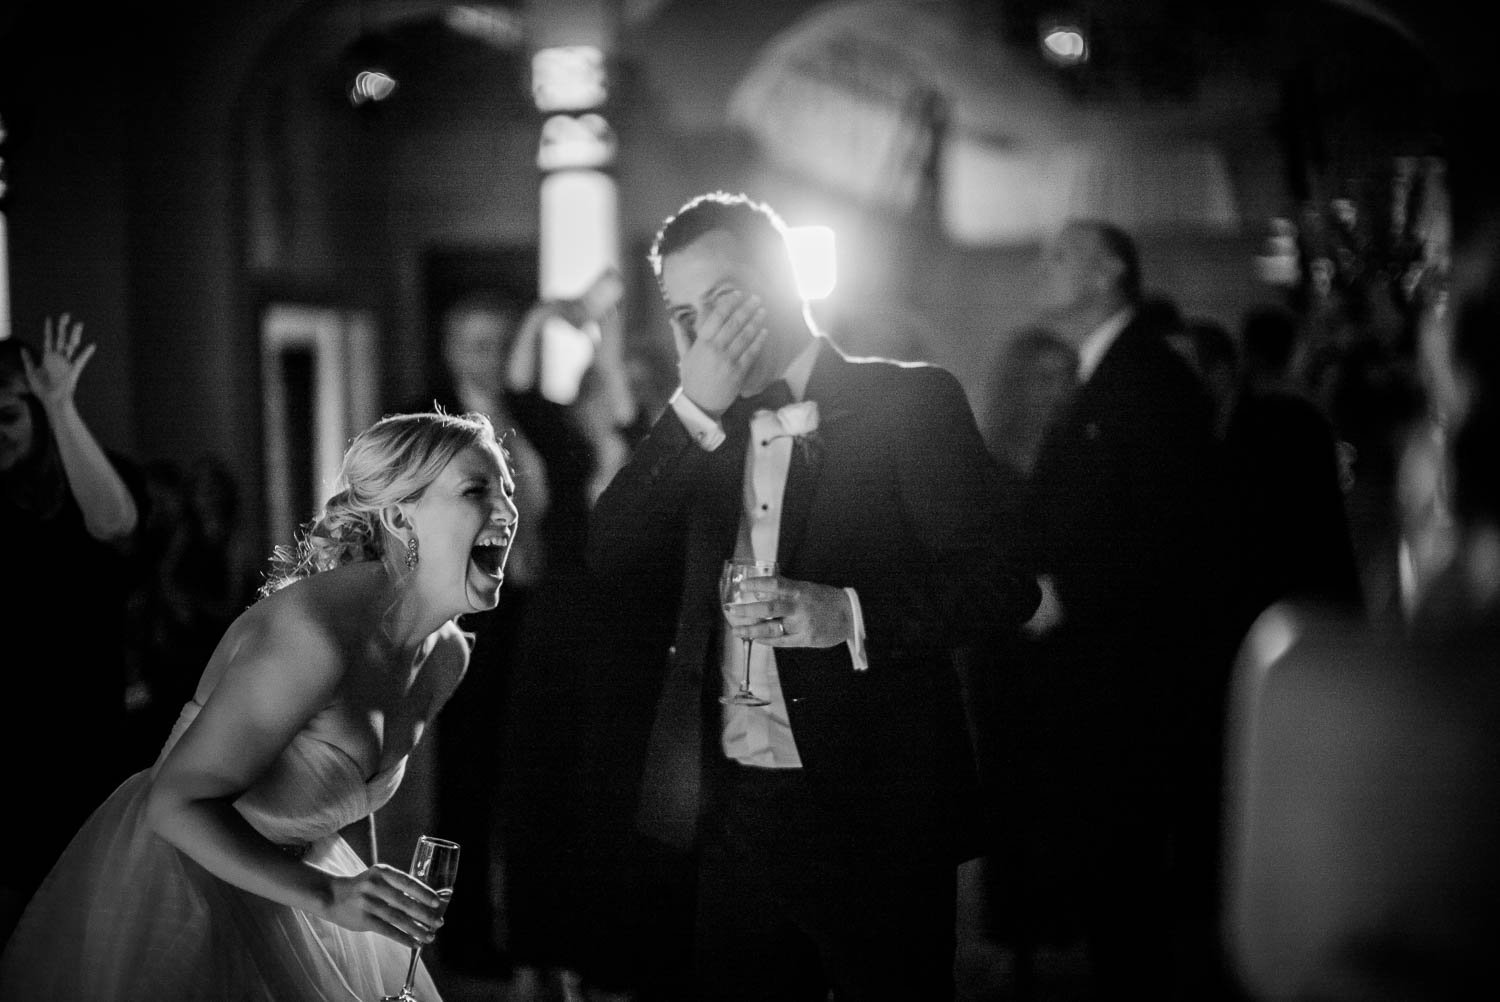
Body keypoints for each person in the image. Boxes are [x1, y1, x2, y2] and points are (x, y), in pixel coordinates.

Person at [586, 191, 1039, 1001]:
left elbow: (1003, 586)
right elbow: (608, 554)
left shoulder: (910, 401)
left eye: (719, 300)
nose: (700, 335)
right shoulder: (700, 430)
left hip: (878, 810)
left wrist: (848, 613)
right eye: (683, 314)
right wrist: (691, 406)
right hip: (732, 814)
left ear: (783, 276)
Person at [0, 409, 519, 1000]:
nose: (508, 512)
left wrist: (369, 901)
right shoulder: (311, 634)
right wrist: (332, 897)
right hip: (185, 883)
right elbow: (174, 803)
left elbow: (344, 789)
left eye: (508, 489)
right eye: (478, 490)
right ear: (402, 516)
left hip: (299, 885)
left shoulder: (447, 656)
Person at [1015, 220, 1230, 999]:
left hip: (1129, 683)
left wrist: (1065, 593)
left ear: (1110, 272)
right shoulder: (1102, 371)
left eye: (1059, 254)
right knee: (1112, 895)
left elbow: (1170, 528)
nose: (1042, 268)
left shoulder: (1148, 378)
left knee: (1126, 894)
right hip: (1100, 679)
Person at [0, 316, 143, 944]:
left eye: (8, 416)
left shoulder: (88, 475)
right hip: (8, 740)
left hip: (80, 731)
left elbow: (114, 524)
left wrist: (60, 406)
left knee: (81, 915)